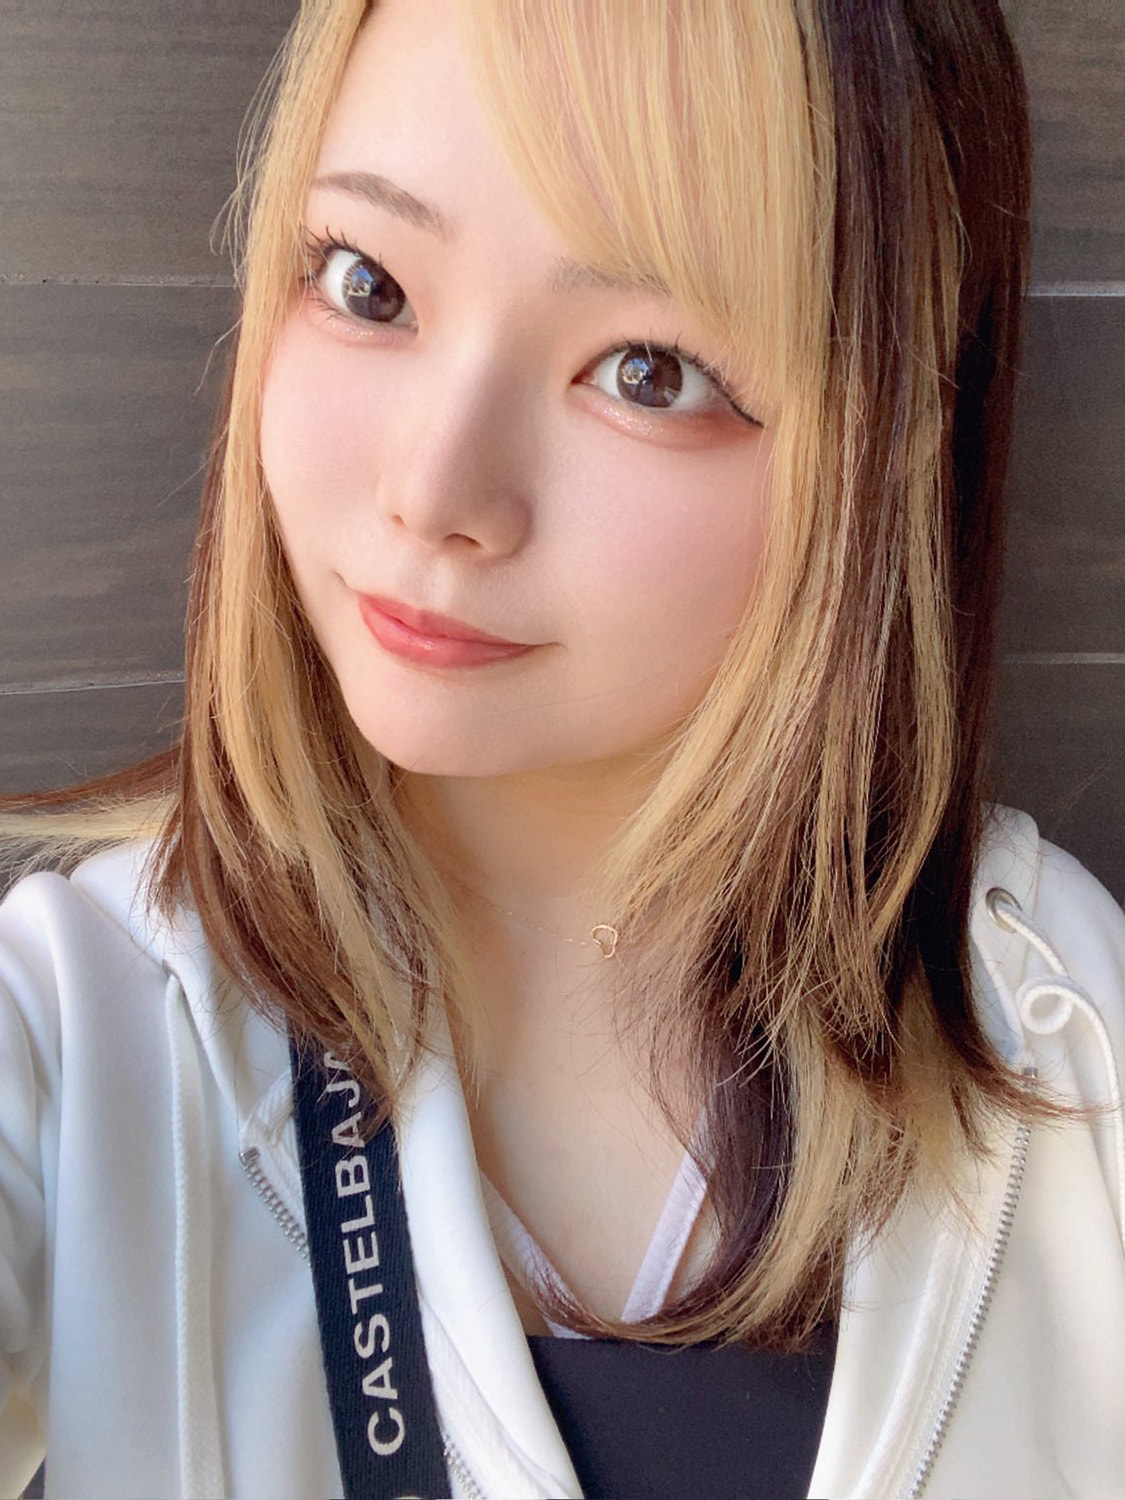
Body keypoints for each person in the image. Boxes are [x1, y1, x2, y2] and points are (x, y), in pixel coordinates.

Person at [1, 0, 1123, 1495]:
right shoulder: (77, 1034)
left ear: (886, 442)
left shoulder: (1065, 1035)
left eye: (649, 371)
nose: (436, 491)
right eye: (368, 285)